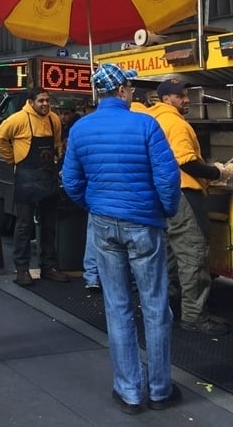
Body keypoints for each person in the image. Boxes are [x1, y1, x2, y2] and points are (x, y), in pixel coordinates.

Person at [62, 63, 182, 414]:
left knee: (117, 305)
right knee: (156, 304)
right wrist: (165, 211)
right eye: (128, 88)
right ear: (121, 90)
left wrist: (94, 204)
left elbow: (70, 181)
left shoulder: (81, 128)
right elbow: (167, 177)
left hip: (103, 223)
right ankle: (160, 389)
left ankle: (129, 391)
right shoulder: (146, 123)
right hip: (144, 224)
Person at [149, 77, 233, 335]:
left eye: (185, 95)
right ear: (166, 99)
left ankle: (170, 306)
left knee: (171, 255)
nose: (186, 100)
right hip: (184, 193)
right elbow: (186, 162)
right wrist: (219, 172)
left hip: (163, 194)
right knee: (193, 254)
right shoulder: (175, 123)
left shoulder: (154, 119)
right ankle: (194, 317)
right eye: (180, 96)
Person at [0, 87, 69, 286]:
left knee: (49, 226)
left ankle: (48, 267)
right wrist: (12, 159)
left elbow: (57, 144)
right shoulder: (18, 119)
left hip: (48, 178)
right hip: (26, 180)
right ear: (31, 102)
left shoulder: (54, 120)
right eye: (41, 101)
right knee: (24, 227)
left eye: (47, 101)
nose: (45, 104)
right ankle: (22, 270)